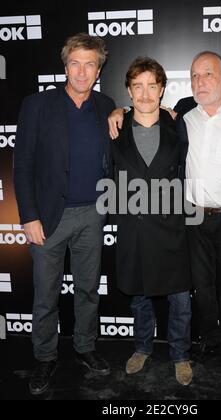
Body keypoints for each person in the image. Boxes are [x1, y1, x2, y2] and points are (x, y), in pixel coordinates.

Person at [108, 51, 221, 377]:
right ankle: (208, 340)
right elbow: (143, 111)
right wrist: (118, 111)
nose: (199, 81)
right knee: (202, 288)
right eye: (194, 75)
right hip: (191, 218)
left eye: (207, 74)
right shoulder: (183, 112)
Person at [14, 33, 115, 395]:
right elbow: (22, 164)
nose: (82, 70)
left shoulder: (107, 106)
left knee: (88, 289)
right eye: (75, 62)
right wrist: (28, 215)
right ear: (65, 65)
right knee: (46, 293)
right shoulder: (37, 105)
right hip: (48, 216)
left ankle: (85, 348)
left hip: (92, 215)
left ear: (98, 69)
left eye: (90, 63)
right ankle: (44, 357)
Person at [108, 57, 193, 386]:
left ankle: (180, 354)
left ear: (162, 90)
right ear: (128, 91)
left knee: (179, 297)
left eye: (152, 86)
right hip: (135, 228)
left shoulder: (178, 124)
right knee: (139, 296)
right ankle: (142, 348)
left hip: (171, 227)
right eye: (138, 86)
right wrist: (116, 112)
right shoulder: (114, 128)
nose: (145, 94)